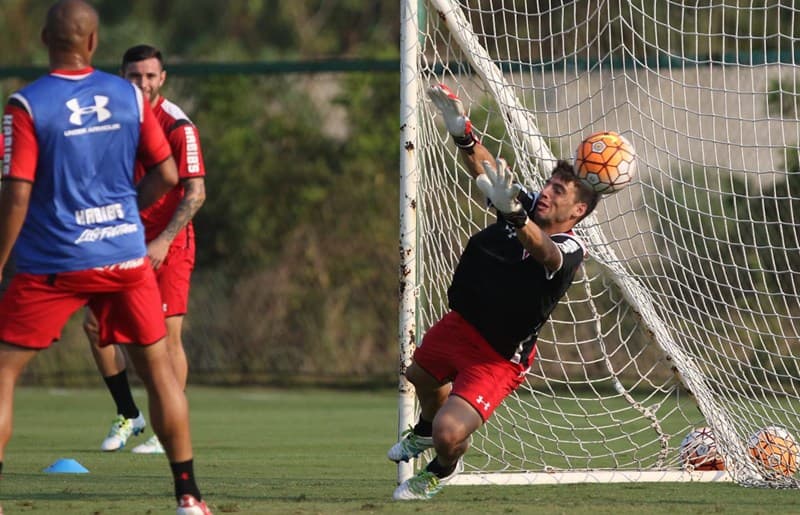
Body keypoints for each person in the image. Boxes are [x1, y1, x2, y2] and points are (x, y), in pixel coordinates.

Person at [0, 2, 211, 514]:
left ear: (46, 37)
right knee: (159, 369)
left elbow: (17, 193)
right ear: (93, 43)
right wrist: (122, 214)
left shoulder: (26, 105)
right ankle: (188, 497)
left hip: (55, 258)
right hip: (124, 255)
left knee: (4, 373)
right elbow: (166, 175)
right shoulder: (128, 98)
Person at [388, 84, 601, 501]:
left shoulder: (570, 248)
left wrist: (515, 214)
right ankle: (425, 429)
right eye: (549, 184)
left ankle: (441, 467)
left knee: (451, 434)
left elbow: (542, 250)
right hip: (461, 324)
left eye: (559, 191)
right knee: (418, 378)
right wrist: (461, 131)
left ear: (576, 211)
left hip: (498, 357)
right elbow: (483, 168)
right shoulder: (522, 201)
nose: (547, 192)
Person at [87, 44, 207, 455]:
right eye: (135, 76)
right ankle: (129, 413)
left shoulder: (177, 126)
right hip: (123, 240)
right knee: (95, 326)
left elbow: (196, 193)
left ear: (162, 79)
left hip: (168, 244)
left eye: (150, 76)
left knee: (166, 339)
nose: (143, 83)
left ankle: (167, 428)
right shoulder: (111, 121)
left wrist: (163, 240)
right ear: (123, 77)